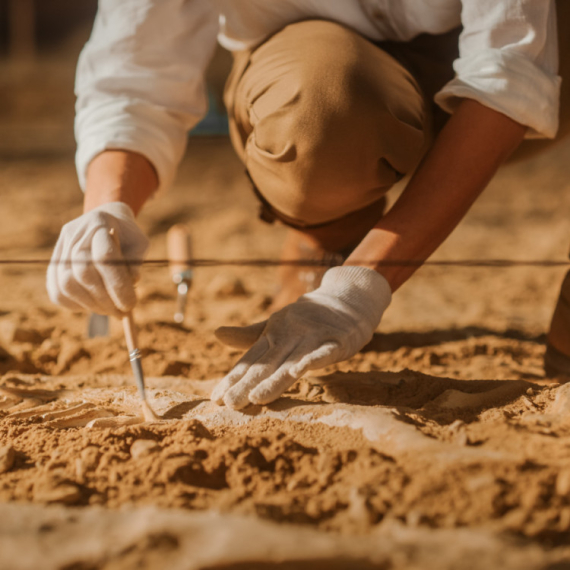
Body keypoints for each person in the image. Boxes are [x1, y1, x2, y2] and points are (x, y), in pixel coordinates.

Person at [47, 0, 564, 410]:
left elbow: (511, 72)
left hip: (548, 61)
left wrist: (360, 286)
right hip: (326, 72)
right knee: (319, 116)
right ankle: (332, 224)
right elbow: (136, 75)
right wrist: (107, 205)